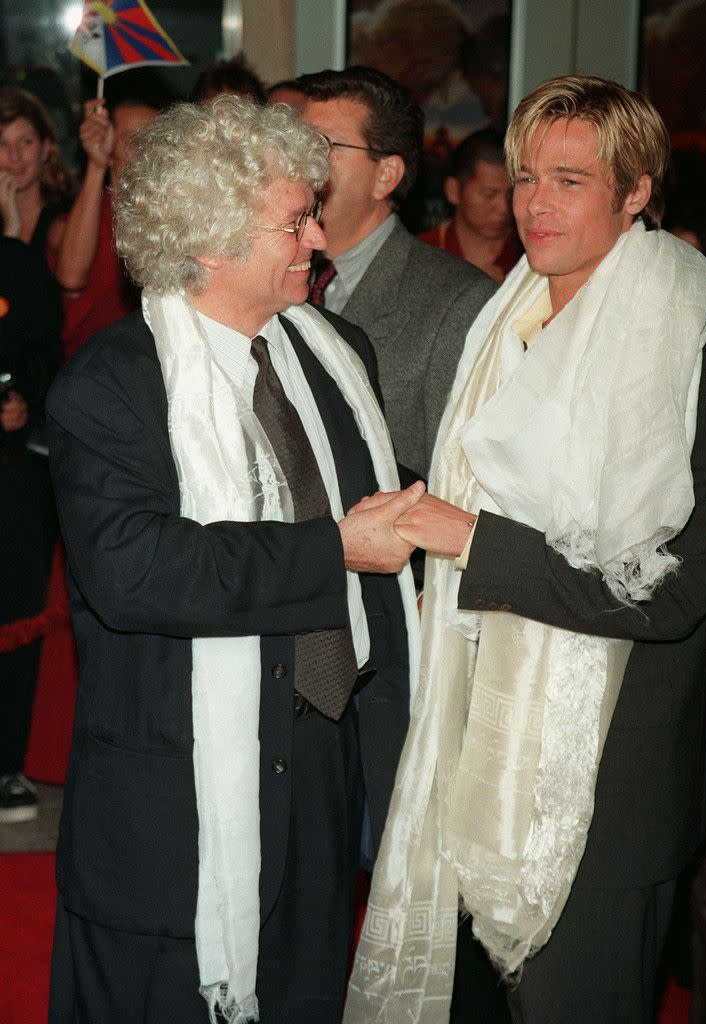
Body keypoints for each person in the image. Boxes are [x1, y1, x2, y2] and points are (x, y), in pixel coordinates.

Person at [345, 75, 706, 1024]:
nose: (536, 204)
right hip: (481, 738)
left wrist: (469, 539)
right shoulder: (506, 318)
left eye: (571, 179)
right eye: (523, 179)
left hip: (609, 783)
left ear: (637, 192)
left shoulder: (688, 341)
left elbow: (665, 595)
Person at [47, 95, 420, 1024]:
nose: (318, 237)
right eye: (294, 220)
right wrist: (335, 550)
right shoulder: (113, 385)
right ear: (209, 243)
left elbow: (369, 490)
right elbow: (135, 571)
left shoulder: (337, 355)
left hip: (321, 761)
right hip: (176, 795)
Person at [298, 66, 495, 481]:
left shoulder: (458, 302)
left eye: (321, 146)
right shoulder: (281, 275)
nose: (300, 163)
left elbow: (456, 483)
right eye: (296, 143)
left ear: (385, 175)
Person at [0, 237, 62, 821]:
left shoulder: (16, 263)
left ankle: (5, 766)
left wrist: (23, 399)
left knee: (14, 616)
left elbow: (48, 347)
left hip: (10, 466)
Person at [54, 88, 162, 356]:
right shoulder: (85, 218)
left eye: (156, 141)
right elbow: (71, 277)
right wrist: (96, 163)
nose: (148, 153)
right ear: (110, 145)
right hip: (94, 371)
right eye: (134, 142)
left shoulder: (172, 219)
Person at [419, 128, 521, 282]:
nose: (504, 208)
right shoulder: (422, 254)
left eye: (511, 194)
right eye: (489, 194)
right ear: (453, 191)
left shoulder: (531, 254)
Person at [0, 87, 73, 264]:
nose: (14, 155)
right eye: (2, 143)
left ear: (46, 148)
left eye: (25, 142)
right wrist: (11, 230)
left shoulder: (68, 216)